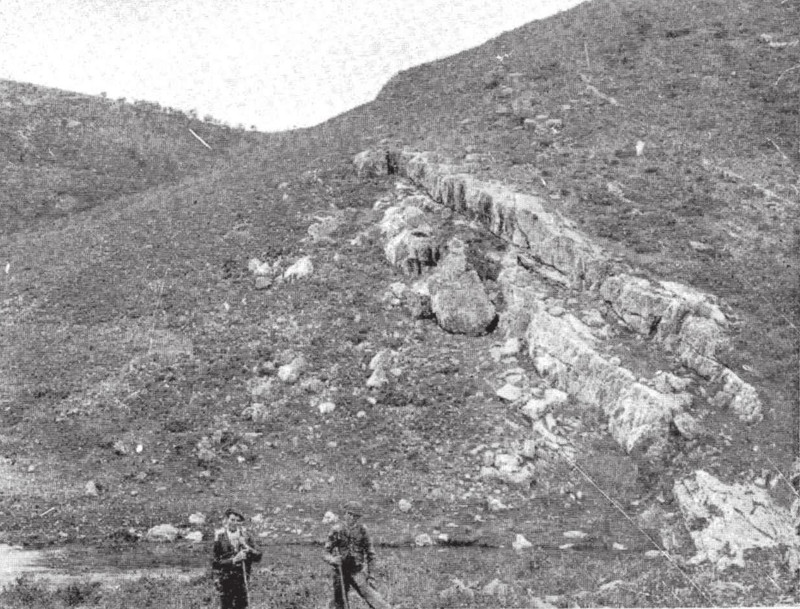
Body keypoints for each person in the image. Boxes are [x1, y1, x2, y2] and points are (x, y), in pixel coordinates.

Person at [323, 500, 392, 609]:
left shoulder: (363, 531)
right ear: (345, 514)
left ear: (358, 517)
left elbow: (371, 555)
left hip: (357, 571)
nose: (351, 518)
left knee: (375, 600)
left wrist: (371, 575)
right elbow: (325, 553)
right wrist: (332, 560)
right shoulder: (336, 530)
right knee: (340, 603)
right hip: (340, 572)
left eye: (355, 516)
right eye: (349, 514)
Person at [212, 508, 263, 609]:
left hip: (242, 581)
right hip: (225, 582)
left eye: (238, 521)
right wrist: (233, 560)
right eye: (232, 520)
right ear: (226, 520)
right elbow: (215, 563)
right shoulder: (220, 538)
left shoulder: (246, 537)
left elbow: (258, 556)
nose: (234, 523)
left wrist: (247, 547)